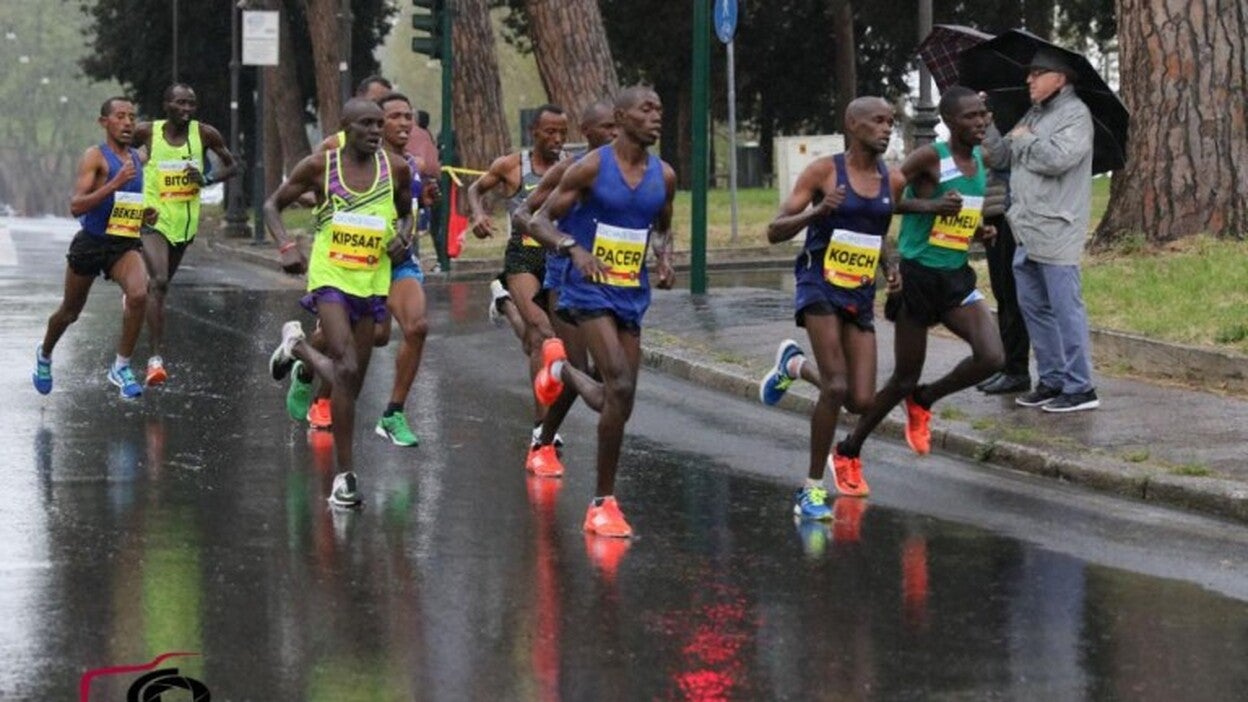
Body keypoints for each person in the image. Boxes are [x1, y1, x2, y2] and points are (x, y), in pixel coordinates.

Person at [831, 86, 1005, 487]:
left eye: (983, 114)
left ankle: (925, 400)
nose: (980, 122)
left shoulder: (980, 157)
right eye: (970, 117)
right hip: (918, 278)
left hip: (956, 275)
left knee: (993, 357)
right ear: (948, 122)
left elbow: (960, 214)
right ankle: (848, 450)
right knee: (902, 379)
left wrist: (978, 232)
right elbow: (884, 199)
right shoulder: (931, 158)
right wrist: (931, 206)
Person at [526, 86, 676, 538]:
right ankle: (602, 504)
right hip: (587, 289)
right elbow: (537, 220)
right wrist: (573, 250)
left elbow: (664, 227)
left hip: (631, 290)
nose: (656, 118)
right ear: (621, 116)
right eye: (646, 110)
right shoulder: (592, 166)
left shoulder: (664, 175)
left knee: (620, 400)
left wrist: (665, 258)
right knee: (618, 381)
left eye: (660, 110)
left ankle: (560, 374)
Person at [754, 96, 904, 520]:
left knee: (860, 399)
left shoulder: (891, 180)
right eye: (878, 121)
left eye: (891, 122)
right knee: (835, 387)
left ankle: (794, 367)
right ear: (853, 125)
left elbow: (879, 234)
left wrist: (891, 266)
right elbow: (774, 230)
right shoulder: (824, 171)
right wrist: (818, 211)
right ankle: (811, 488)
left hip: (858, 291)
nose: (887, 128)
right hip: (818, 282)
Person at [265, 98, 414, 508]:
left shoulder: (395, 169)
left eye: (378, 124)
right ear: (344, 126)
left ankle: (296, 346)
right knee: (345, 368)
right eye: (365, 124)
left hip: (372, 279)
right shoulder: (321, 166)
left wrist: (404, 236)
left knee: (352, 384)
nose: (374, 131)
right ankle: (345, 480)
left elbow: (406, 213)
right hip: (330, 277)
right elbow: (272, 205)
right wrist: (285, 245)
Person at [288, 92, 439, 445]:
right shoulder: (334, 150)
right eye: (394, 117)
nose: (403, 123)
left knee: (415, 327)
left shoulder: (407, 163)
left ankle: (393, 414)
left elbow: (406, 210)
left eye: (408, 116)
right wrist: (327, 202)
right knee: (352, 341)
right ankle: (308, 368)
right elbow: (303, 189)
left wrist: (416, 214)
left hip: (394, 259)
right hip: (347, 262)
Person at [512, 99, 618, 476]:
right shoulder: (570, 170)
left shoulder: (635, 172)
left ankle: (544, 435)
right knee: (580, 367)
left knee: (607, 374)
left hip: (615, 281)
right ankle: (544, 441)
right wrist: (566, 245)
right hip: (568, 277)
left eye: (620, 126)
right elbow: (525, 215)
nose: (616, 134)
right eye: (608, 127)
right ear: (589, 133)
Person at [995, 47, 1098, 413]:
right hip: (1026, 228)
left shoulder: (1075, 115)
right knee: (1034, 308)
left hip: (1057, 227)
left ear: (1061, 78)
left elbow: (1057, 159)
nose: (1029, 79)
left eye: (1037, 73)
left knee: (1065, 308)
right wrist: (991, 123)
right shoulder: (1033, 114)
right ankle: (1053, 379)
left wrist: (1023, 138)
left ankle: (1081, 386)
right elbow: (1001, 156)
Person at [33, 96, 153, 399]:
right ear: (104, 122)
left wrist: (146, 214)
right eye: (120, 116)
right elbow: (76, 206)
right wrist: (114, 183)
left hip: (123, 244)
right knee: (70, 313)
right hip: (91, 243)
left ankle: (121, 366)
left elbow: (129, 203)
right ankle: (45, 354)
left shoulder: (138, 158)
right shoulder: (95, 157)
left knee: (139, 294)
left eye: (132, 117)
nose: (128, 122)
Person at [468, 104, 569, 441]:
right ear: (534, 133)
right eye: (550, 132)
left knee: (535, 343)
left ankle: (504, 304)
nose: (557, 139)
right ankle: (543, 428)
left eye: (562, 133)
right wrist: (478, 215)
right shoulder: (512, 166)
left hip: (557, 256)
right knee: (542, 335)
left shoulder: (573, 166)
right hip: (523, 255)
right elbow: (475, 189)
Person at [134, 83, 240, 386]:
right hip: (153, 216)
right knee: (160, 281)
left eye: (191, 104)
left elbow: (232, 167)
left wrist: (206, 178)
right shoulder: (146, 132)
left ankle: (140, 291)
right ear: (166, 104)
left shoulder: (205, 134)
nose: (186, 109)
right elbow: (121, 158)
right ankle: (155, 359)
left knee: (161, 289)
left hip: (184, 221)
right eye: (180, 103)